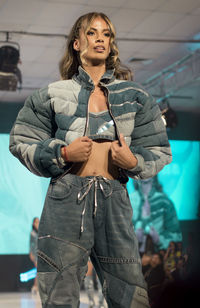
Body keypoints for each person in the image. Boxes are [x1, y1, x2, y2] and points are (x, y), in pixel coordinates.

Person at [9, 12, 172, 308]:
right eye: (92, 32)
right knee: (59, 296)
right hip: (66, 199)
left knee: (131, 296)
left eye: (106, 34)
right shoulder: (52, 94)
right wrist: (62, 153)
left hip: (115, 200)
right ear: (76, 43)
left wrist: (132, 160)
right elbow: (21, 140)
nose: (100, 39)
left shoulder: (135, 96)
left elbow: (160, 150)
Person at [130, 176, 182, 253]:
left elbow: (176, 235)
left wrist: (159, 239)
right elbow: (119, 233)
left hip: (159, 257)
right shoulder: (129, 200)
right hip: (131, 257)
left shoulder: (164, 202)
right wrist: (133, 236)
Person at [29, 217, 39, 294]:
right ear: (33, 223)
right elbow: (30, 244)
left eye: (38, 222)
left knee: (38, 271)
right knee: (38, 270)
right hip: (34, 254)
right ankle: (35, 287)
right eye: (36, 222)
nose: (37, 223)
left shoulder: (40, 232)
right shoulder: (32, 233)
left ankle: (36, 287)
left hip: (40, 254)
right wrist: (31, 254)